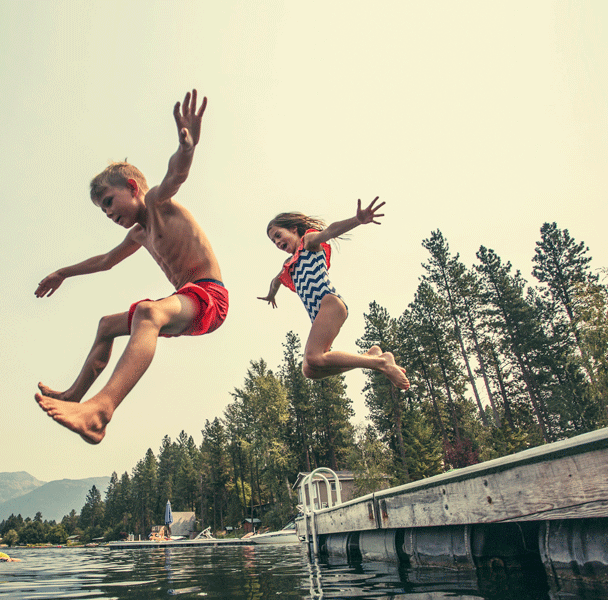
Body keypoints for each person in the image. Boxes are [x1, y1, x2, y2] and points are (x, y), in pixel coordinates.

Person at [34, 90, 228, 445]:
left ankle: (100, 412)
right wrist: (63, 272)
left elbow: (176, 175)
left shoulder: (157, 203)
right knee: (107, 326)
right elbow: (106, 261)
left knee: (147, 313)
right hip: (185, 299)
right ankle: (75, 396)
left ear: (133, 187)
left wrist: (188, 148)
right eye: (103, 212)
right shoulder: (139, 233)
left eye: (110, 202)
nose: (109, 214)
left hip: (209, 297)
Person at [258, 199, 410, 390]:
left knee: (313, 356)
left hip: (329, 302)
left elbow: (330, 231)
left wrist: (357, 220)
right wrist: (271, 294)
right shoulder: (289, 264)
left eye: (279, 235)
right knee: (310, 369)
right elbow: (276, 280)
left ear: (294, 229)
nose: (278, 242)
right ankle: (370, 358)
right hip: (319, 313)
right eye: (274, 241)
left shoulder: (308, 242)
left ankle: (382, 363)